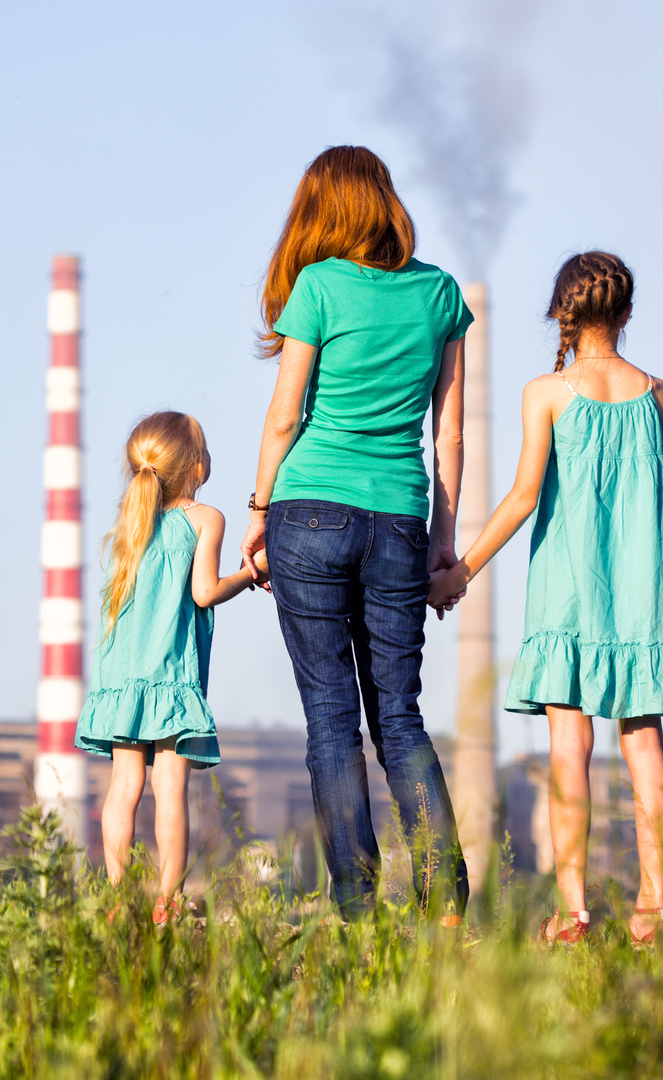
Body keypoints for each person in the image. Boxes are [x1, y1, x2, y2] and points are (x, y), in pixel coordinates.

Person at [239, 145, 471, 921]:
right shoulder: (440, 295)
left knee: (332, 718)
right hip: (401, 518)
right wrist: (443, 538)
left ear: (321, 209)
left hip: (307, 508)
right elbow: (452, 435)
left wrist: (257, 511)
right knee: (397, 714)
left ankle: (357, 906)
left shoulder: (319, 286)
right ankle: (445, 900)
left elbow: (283, 415)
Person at [429, 252, 663, 945]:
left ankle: (573, 912)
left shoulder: (546, 392)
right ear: (626, 313)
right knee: (645, 746)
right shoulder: (659, 395)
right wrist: (649, 587)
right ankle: (654, 909)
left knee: (569, 746)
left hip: (566, 597)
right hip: (639, 600)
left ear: (560, 313)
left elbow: (522, 497)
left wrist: (462, 571)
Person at [76, 410, 255, 925]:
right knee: (170, 790)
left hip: (119, 679)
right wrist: (249, 574)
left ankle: (117, 898)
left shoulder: (128, 525)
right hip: (170, 678)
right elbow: (204, 592)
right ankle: (166, 900)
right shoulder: (205, 518)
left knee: (123, 787)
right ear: (195, 467)